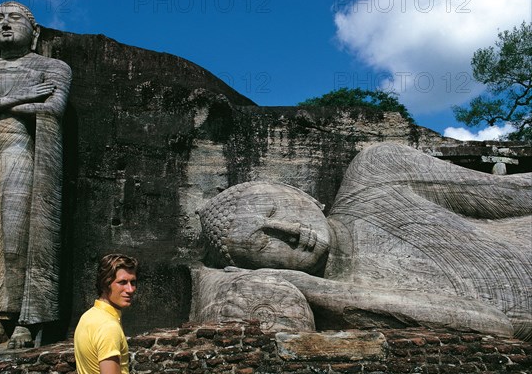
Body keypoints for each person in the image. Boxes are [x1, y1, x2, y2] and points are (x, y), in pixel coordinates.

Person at [195, 143, 532, 340]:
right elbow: (491, 323)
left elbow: (516, 192)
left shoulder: (375, 175)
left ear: (303, 194)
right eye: (264, 243)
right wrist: (315, 290)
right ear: (262, 268)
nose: (289, 231)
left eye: (274, 209)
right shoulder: (352, 293)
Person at [0, 1, 71, 349]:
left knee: (18, 236)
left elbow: (52, 107)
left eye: (14, 17)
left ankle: (25, 320)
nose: (5, 24)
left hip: (20, 147)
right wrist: (20, 95)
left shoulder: (53, 67)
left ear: (34, 32)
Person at [74, 254, 138, 374]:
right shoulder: (108, 327)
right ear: (105, 284)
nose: (130, 289)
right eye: (122, 282)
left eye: (132, 282)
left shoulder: (88, 317)